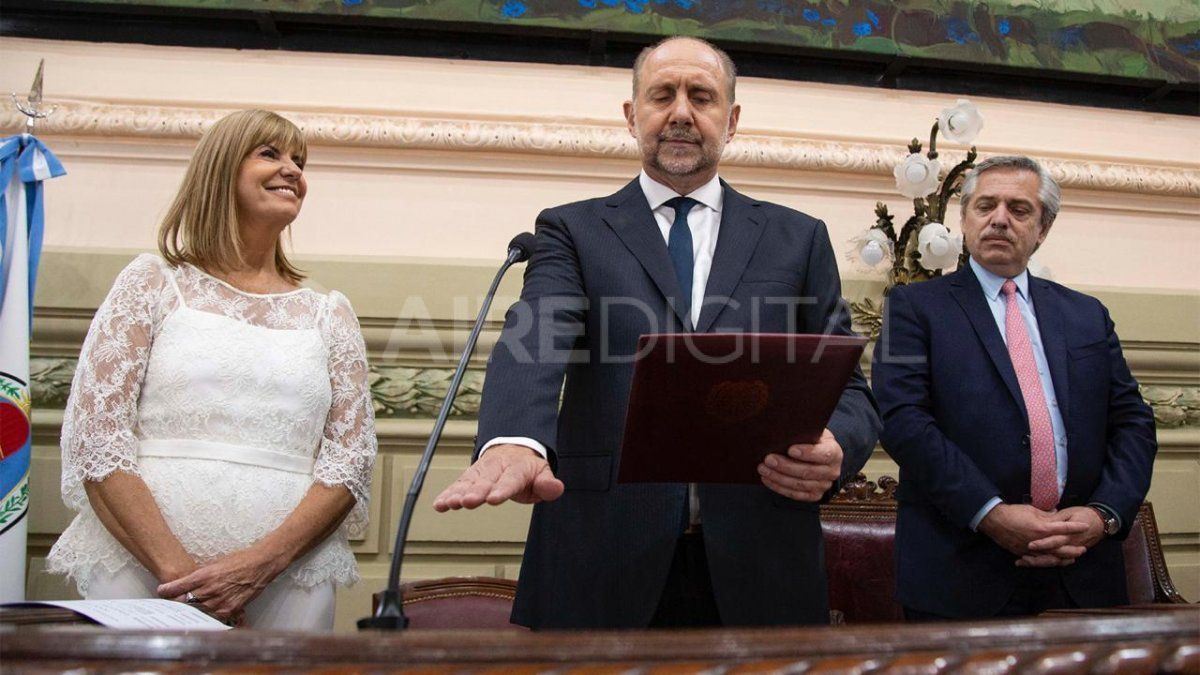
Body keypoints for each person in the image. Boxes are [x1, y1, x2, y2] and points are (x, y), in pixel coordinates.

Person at [433, 36, 879, 629]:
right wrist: (515, 439)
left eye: (702, 96)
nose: (681, 113)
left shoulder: (797, 239)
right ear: (631, 114)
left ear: (732, 118)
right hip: (602, 556)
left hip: (762, 561)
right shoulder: (572, 229)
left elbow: (850, 388)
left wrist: (837, 448)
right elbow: (536, 335)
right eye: (662, 95)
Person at [47, 110, 377, 630]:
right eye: (270, 154)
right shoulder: (151, 284)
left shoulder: (328, 313)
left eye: (300, 160)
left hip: (287, 583)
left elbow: (348, 463)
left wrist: (261, 565)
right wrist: (180, 576)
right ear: (221, 170)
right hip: (144, 578)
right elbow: (98, 438)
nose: (292, 169)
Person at [871, 155, 1157, 620]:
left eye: (1019, 209)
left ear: (1042, 229)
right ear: (964, 220)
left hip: (1080, 569)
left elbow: (1134, 422)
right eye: (985, 206)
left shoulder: (1086, 315)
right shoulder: (914, 308)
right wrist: (991, 513)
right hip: (961, 569)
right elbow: (902, 419)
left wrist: (1102, 515)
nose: (999, 219)